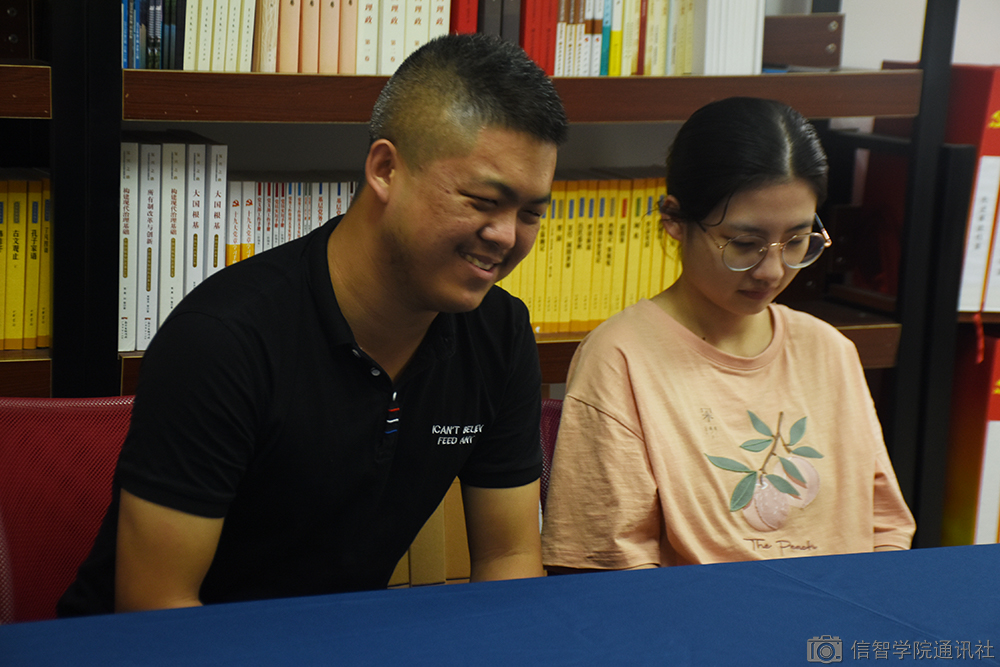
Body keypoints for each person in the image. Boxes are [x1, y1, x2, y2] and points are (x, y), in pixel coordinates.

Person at [59, 33, 568, 616]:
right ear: (385, 169)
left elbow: (508, 559)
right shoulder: (222, 340)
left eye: (531, 213)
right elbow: (157, 607)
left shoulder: (499, 332)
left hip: (342, 641)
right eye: (482, 201)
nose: (505, 236)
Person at [540, 97, 915, 573]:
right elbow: (610, 563)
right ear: (674, 220)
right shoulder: (622, 357)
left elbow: (885, 528)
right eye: (744, 244)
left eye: (797, 241)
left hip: (842, 610)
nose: (772, 271)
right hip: (698, 616)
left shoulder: (830, 351)